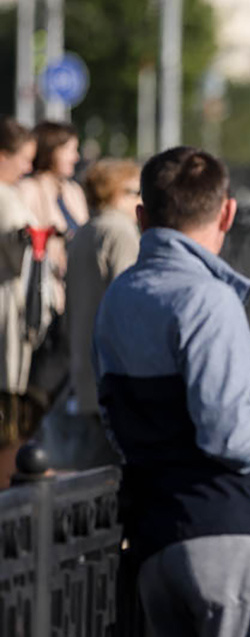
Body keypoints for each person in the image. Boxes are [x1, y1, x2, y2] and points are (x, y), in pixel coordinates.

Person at [93, 146, 250, 637]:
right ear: (228, 213)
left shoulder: (121, 297)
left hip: (157, 538)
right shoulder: (208, 299)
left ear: (142, 217)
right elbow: (226, 434)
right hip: (230, 535)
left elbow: (114, 413)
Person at [55, 159, 142, 468]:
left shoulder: (85, 231)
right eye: (134, 191)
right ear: (113, 193)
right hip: (113, 370)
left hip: (85, 367)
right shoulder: (120, 232)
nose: (140, 200)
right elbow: (128, 304)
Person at [17, 120, 86, 313]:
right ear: (51, 150)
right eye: (70, 150)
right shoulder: (28, 190)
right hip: (45, 299)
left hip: (74, 295)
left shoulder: (73, 191)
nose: (76, 157)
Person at [0, 118, 36, 478]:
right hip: (5, 308)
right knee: (8, 404)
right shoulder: (6, 197)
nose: (28, 167)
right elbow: (17, 256)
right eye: (23, 159)